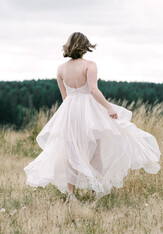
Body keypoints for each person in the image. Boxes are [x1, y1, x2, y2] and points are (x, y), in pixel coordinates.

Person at [24, 32, 161, 204]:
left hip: (69, 112)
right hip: (89, 112)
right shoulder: (90, 65)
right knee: (96, 152)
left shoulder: (61, 69)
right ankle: (97, 190)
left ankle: (71, 194)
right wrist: (109, 107)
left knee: (71, 152)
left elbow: (65, 98)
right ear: (85, 46)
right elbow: (93, 91)